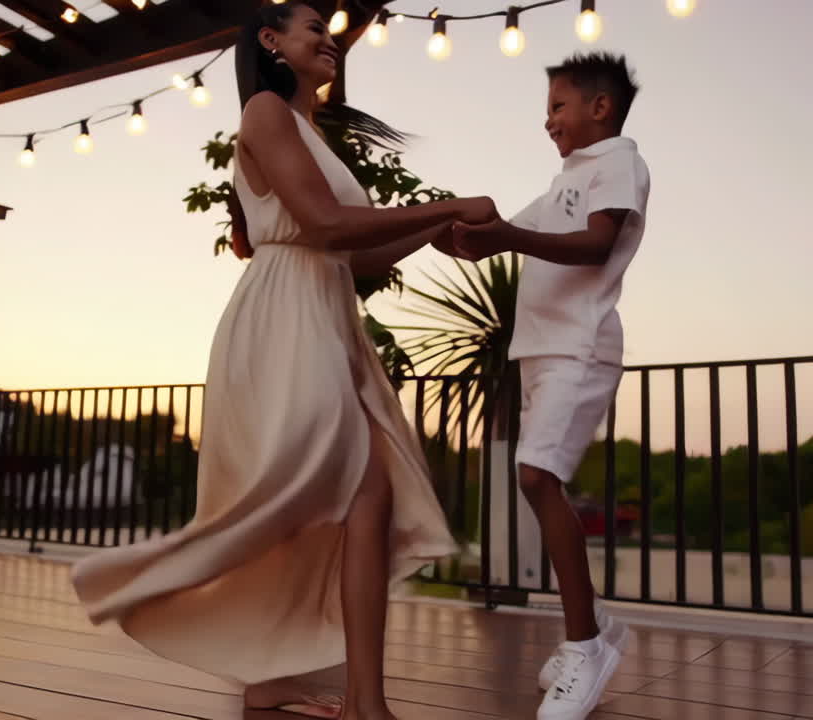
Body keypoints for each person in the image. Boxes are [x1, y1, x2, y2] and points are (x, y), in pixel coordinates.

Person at [71, 4, 494, 719]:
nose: (328, 41)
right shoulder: (265, 111)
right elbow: (325, 226)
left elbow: (355, 255)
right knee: (349, 493)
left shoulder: (310, 131)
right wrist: (448, 200)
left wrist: (436, 229)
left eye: (329, 32)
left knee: (343, 498)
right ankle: (363, 702)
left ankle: (273, 682)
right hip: (286, 316)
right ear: (271, 42)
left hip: (328, 314)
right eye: (312, 30)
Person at [448, 52, 651, 720]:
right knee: (535, 479)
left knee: (536, 477)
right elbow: (505, 228)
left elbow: (594, 245)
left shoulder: (619, 160)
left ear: (599, 107)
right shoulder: (569, 177)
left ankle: (586, 646)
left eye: (558, 107)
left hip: (579, 348)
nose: (548, 121)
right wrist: (444, 227)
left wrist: (504, 234)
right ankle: (591, 627)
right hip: (540, 354)